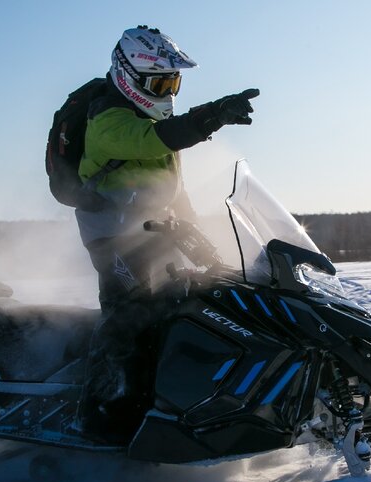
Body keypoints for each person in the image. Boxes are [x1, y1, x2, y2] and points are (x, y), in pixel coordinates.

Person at [75, 25, 259, 441]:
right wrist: (211, 115)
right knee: (131, 311)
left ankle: (184, 400)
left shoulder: (154, 125)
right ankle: (103, 413)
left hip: (155, 231)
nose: (168, 92)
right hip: (113, 235)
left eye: (172, 82)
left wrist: (199, 234)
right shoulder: (108, 119)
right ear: (129, 76)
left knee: (195, 301)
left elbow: (171, 188)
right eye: (159, 82)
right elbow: (153, 139)